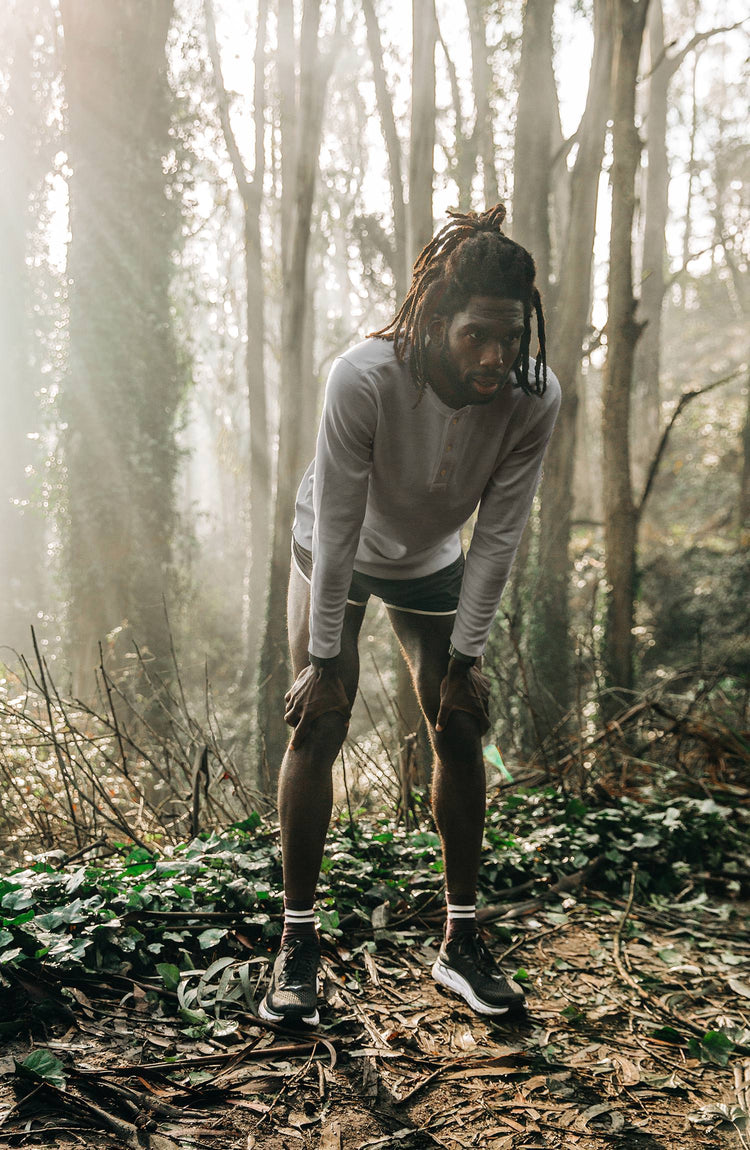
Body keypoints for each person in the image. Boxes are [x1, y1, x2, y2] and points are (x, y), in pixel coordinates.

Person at [259, 204, 561, 1027]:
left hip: (433, 560)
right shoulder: (365, 374)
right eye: (477, 338)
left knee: (462, 726)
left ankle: (461, 943)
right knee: (318, 723)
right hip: (337, 547)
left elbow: (498, 536)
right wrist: (323, 660)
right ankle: (298, 946)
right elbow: (342, 519)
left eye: (510, 336)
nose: (497, 357)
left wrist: (465, 664)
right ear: (435, 322)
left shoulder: (533, 397)